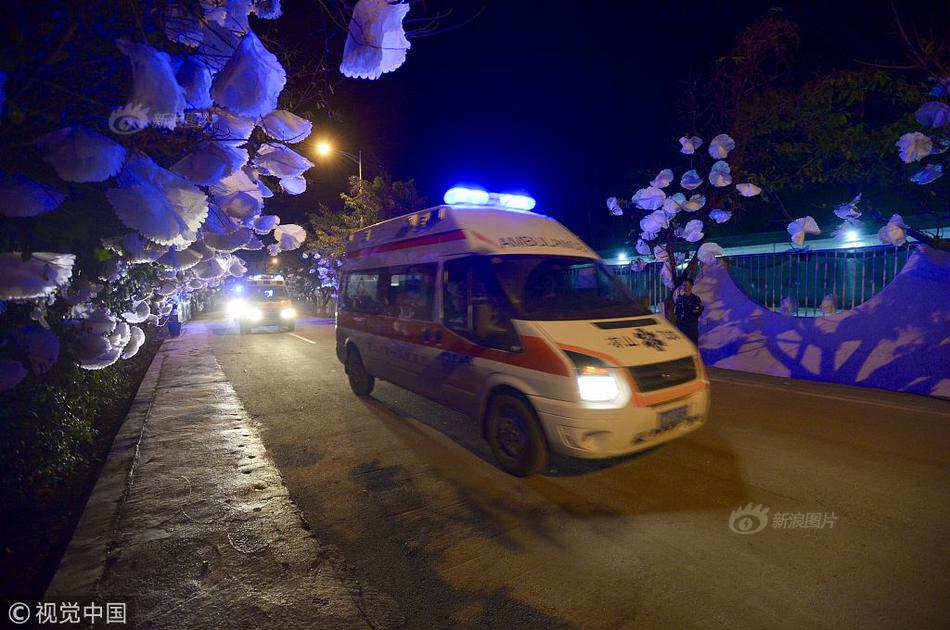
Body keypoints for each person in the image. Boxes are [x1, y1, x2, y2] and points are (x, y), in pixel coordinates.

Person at [674, 279, 703, 345]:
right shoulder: (680, 299)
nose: (684, 287)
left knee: (692, 345)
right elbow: (677, 313)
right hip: (681, 327)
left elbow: (698, 312)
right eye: (683, 285)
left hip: (691, 328)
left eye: (686, 285)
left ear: (691, 286)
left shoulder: (696, 299)